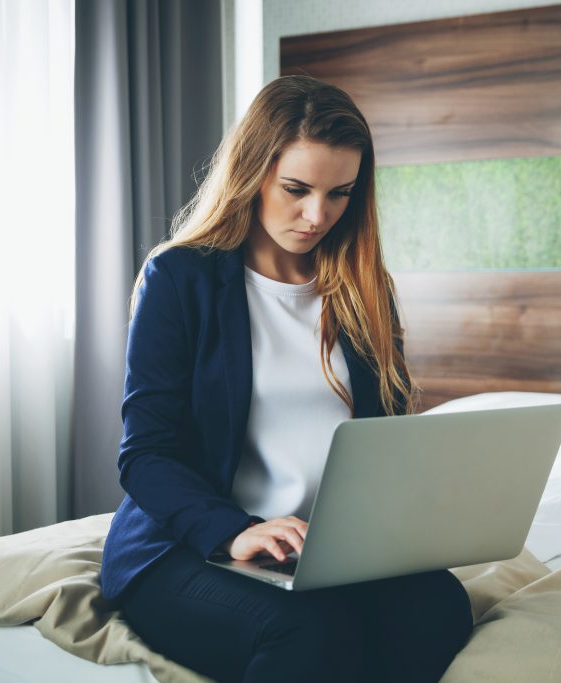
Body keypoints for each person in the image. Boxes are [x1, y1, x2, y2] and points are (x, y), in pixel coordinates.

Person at [100, 75, 473, 683]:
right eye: (296, 189)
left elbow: (385, 441)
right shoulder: (178, 279)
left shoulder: (364, 291)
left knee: (437, 608)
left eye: (340, 194)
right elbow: (146, 454)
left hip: (323, 550)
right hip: (191, 544)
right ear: (254, 172)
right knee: (308, 629)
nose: (317, 215)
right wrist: (235, 532)